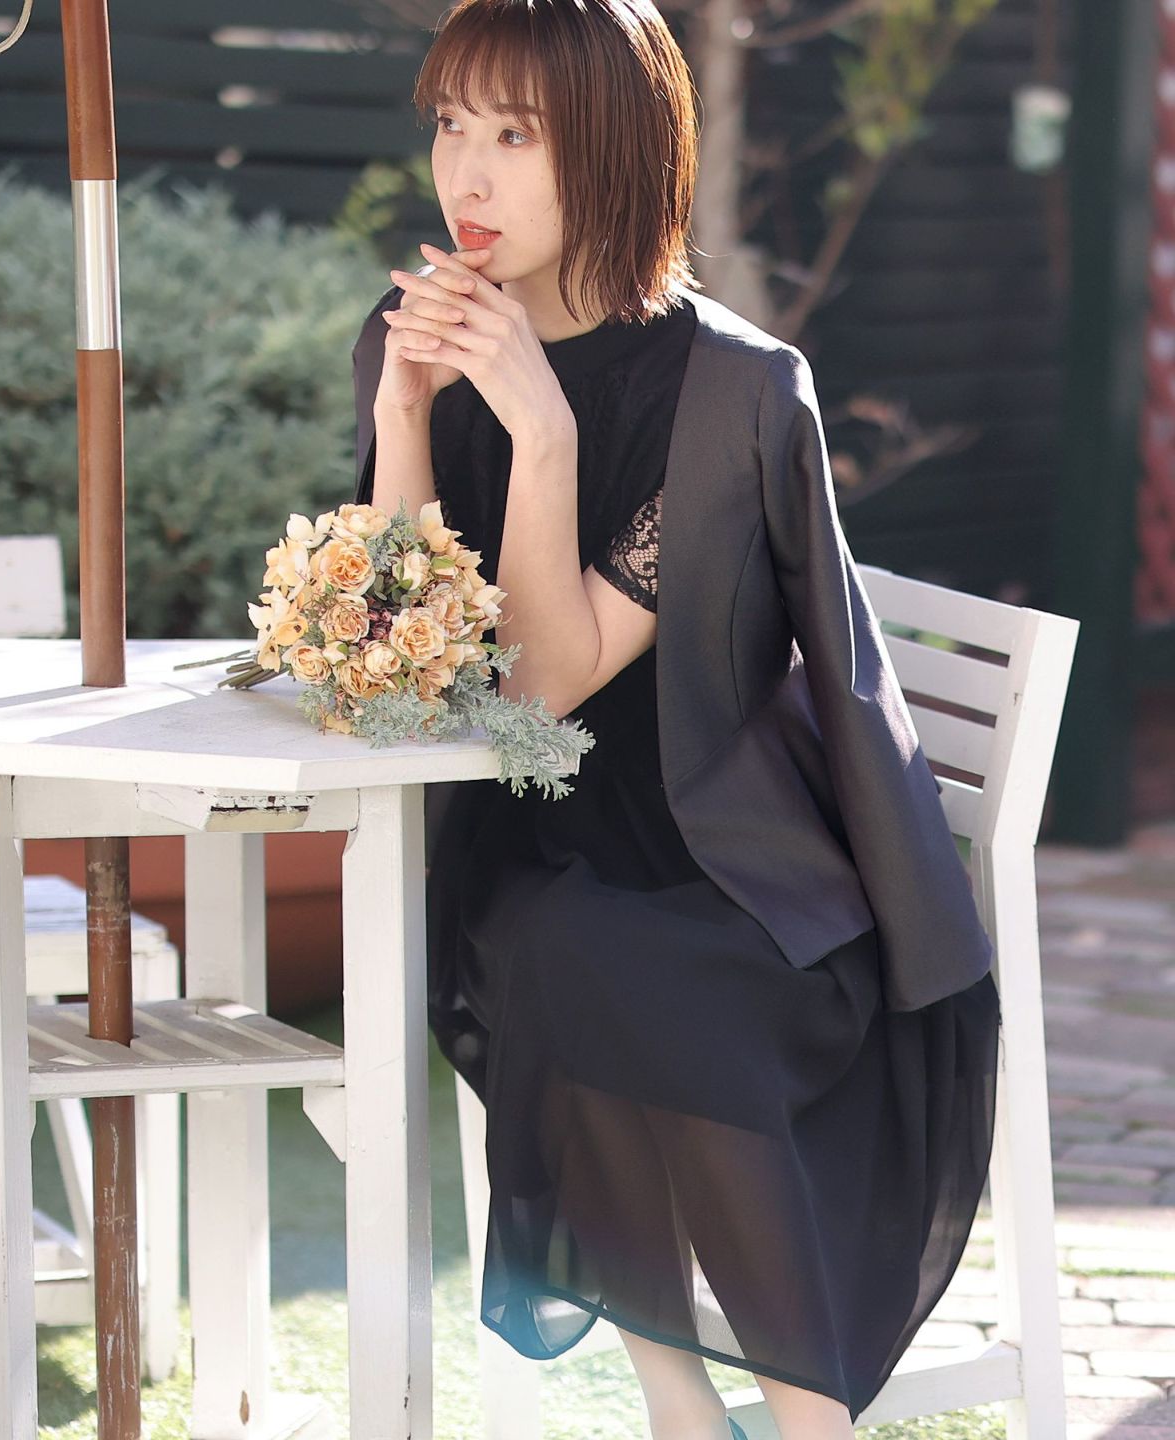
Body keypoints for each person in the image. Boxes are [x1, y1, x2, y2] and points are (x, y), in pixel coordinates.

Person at [350, 0, 1002, 1435]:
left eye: (515, 134)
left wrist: (544, 434)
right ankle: (682, 1404)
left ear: (613, 147)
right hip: (529, 843)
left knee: (639, 971)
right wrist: (402, 420)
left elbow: (547, 679)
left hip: (738, 862)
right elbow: (403, 672)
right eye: (451, 125)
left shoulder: (732, 391)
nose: (467, 173)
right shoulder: (426, 344)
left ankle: (790, 1420)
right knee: (567, 944)